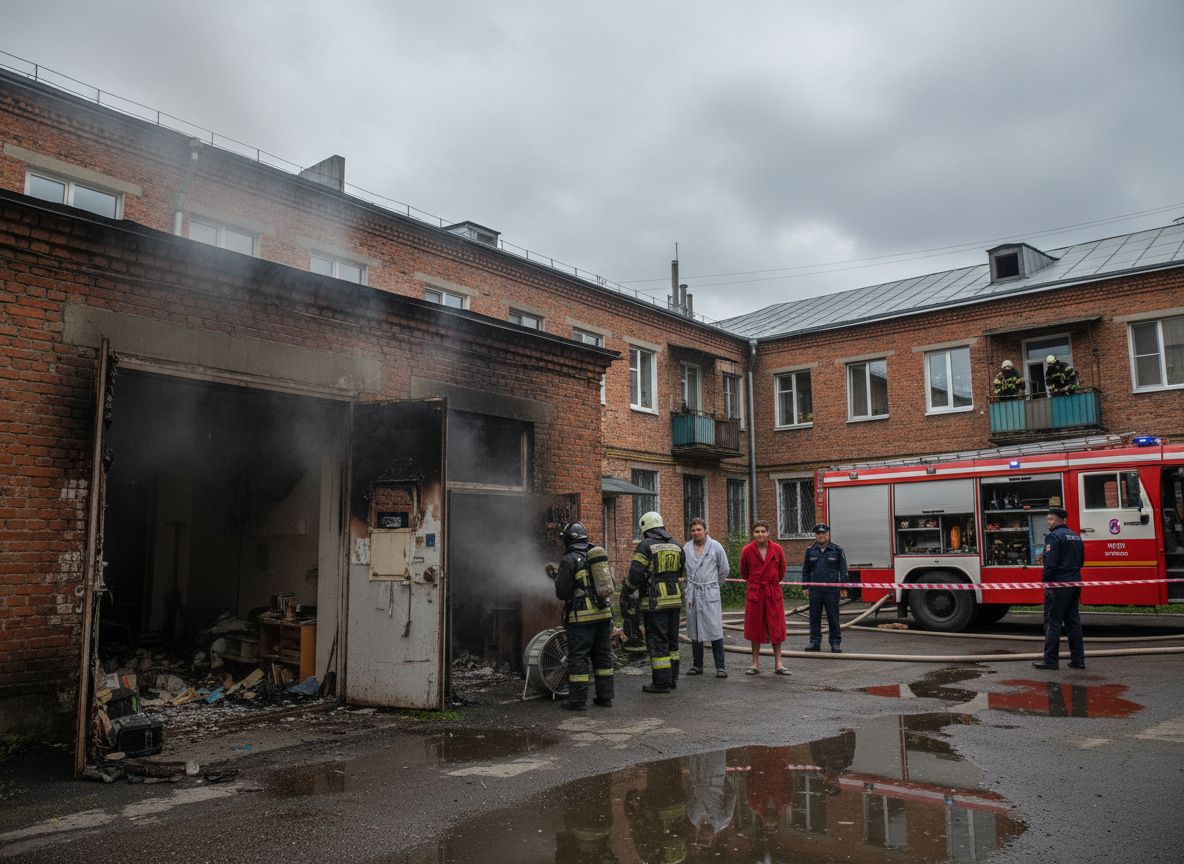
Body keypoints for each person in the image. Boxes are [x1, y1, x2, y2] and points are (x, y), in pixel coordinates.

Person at [548, 522, 615, 710]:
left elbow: (562, 592)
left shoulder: (569, 559)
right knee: (602, 656)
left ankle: (577, 701)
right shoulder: (595, 554)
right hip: (603, 614)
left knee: (578, 657)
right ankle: (605, 697)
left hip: (582, 618)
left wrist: (557, 580)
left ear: (568, 539)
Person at [625, 511, 685, 694]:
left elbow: (635, 575)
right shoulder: (676, 545)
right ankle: (672, 678)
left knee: (658, 640)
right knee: (672, 641)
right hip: (675, 600)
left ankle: (661, 682)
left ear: (645, 528)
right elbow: (681, 571)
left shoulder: (645, 545)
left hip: (655, 602)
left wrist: (627, 588)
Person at [1032, 507, 1086, 670]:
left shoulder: (1053, 537)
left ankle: (1051, 661)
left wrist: (1046, 583)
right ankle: (1078, 660)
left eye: (1052, 519)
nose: (1049, 522)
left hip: (1058, 584)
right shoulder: (1076, 537)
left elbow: (1050, 564)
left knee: (1053, 622)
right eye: (1048, 519)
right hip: (1075, 582)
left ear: (1062, 520)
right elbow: (1081, 562)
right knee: (1073, 622)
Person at [682, 517, 729, 678]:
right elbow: (684, 570)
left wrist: (715, 585)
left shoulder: (715, 547)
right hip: (694, 592)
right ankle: (697, 665)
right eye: (693, 530)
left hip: (710, 591)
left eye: (699, 529)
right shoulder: (686, 548)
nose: (696, 532)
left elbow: (724, 569)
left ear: (705, 530)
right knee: (694, 630)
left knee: (715, 629)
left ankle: (720, 667)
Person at [740, 520, 788, 674]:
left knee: (776, 628)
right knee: (755, 627)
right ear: (753, 534)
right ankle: (755, 664)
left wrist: (771, 583)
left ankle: (778, 664)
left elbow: (782, 571)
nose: (760, 534)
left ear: (768, 533)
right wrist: (756, 583)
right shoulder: (747, 550)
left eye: (762, 531)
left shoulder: (777, 549)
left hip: (773, 592)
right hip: (755, 592)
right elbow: (744, 572)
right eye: (757, 531)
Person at [802, 523, 848, 653]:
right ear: (816, 535)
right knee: (814, 617)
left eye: (824, 533)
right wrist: (805, 586)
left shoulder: (837, 550)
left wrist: (844, 587)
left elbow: (843, 569)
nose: (821, 536)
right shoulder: (810, 550)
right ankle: (815, 642)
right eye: (818, 534)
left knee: (833, 616)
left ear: (828, 534)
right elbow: (806, 570)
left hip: (831, 590)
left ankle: (835, 643)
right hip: (815, 590)